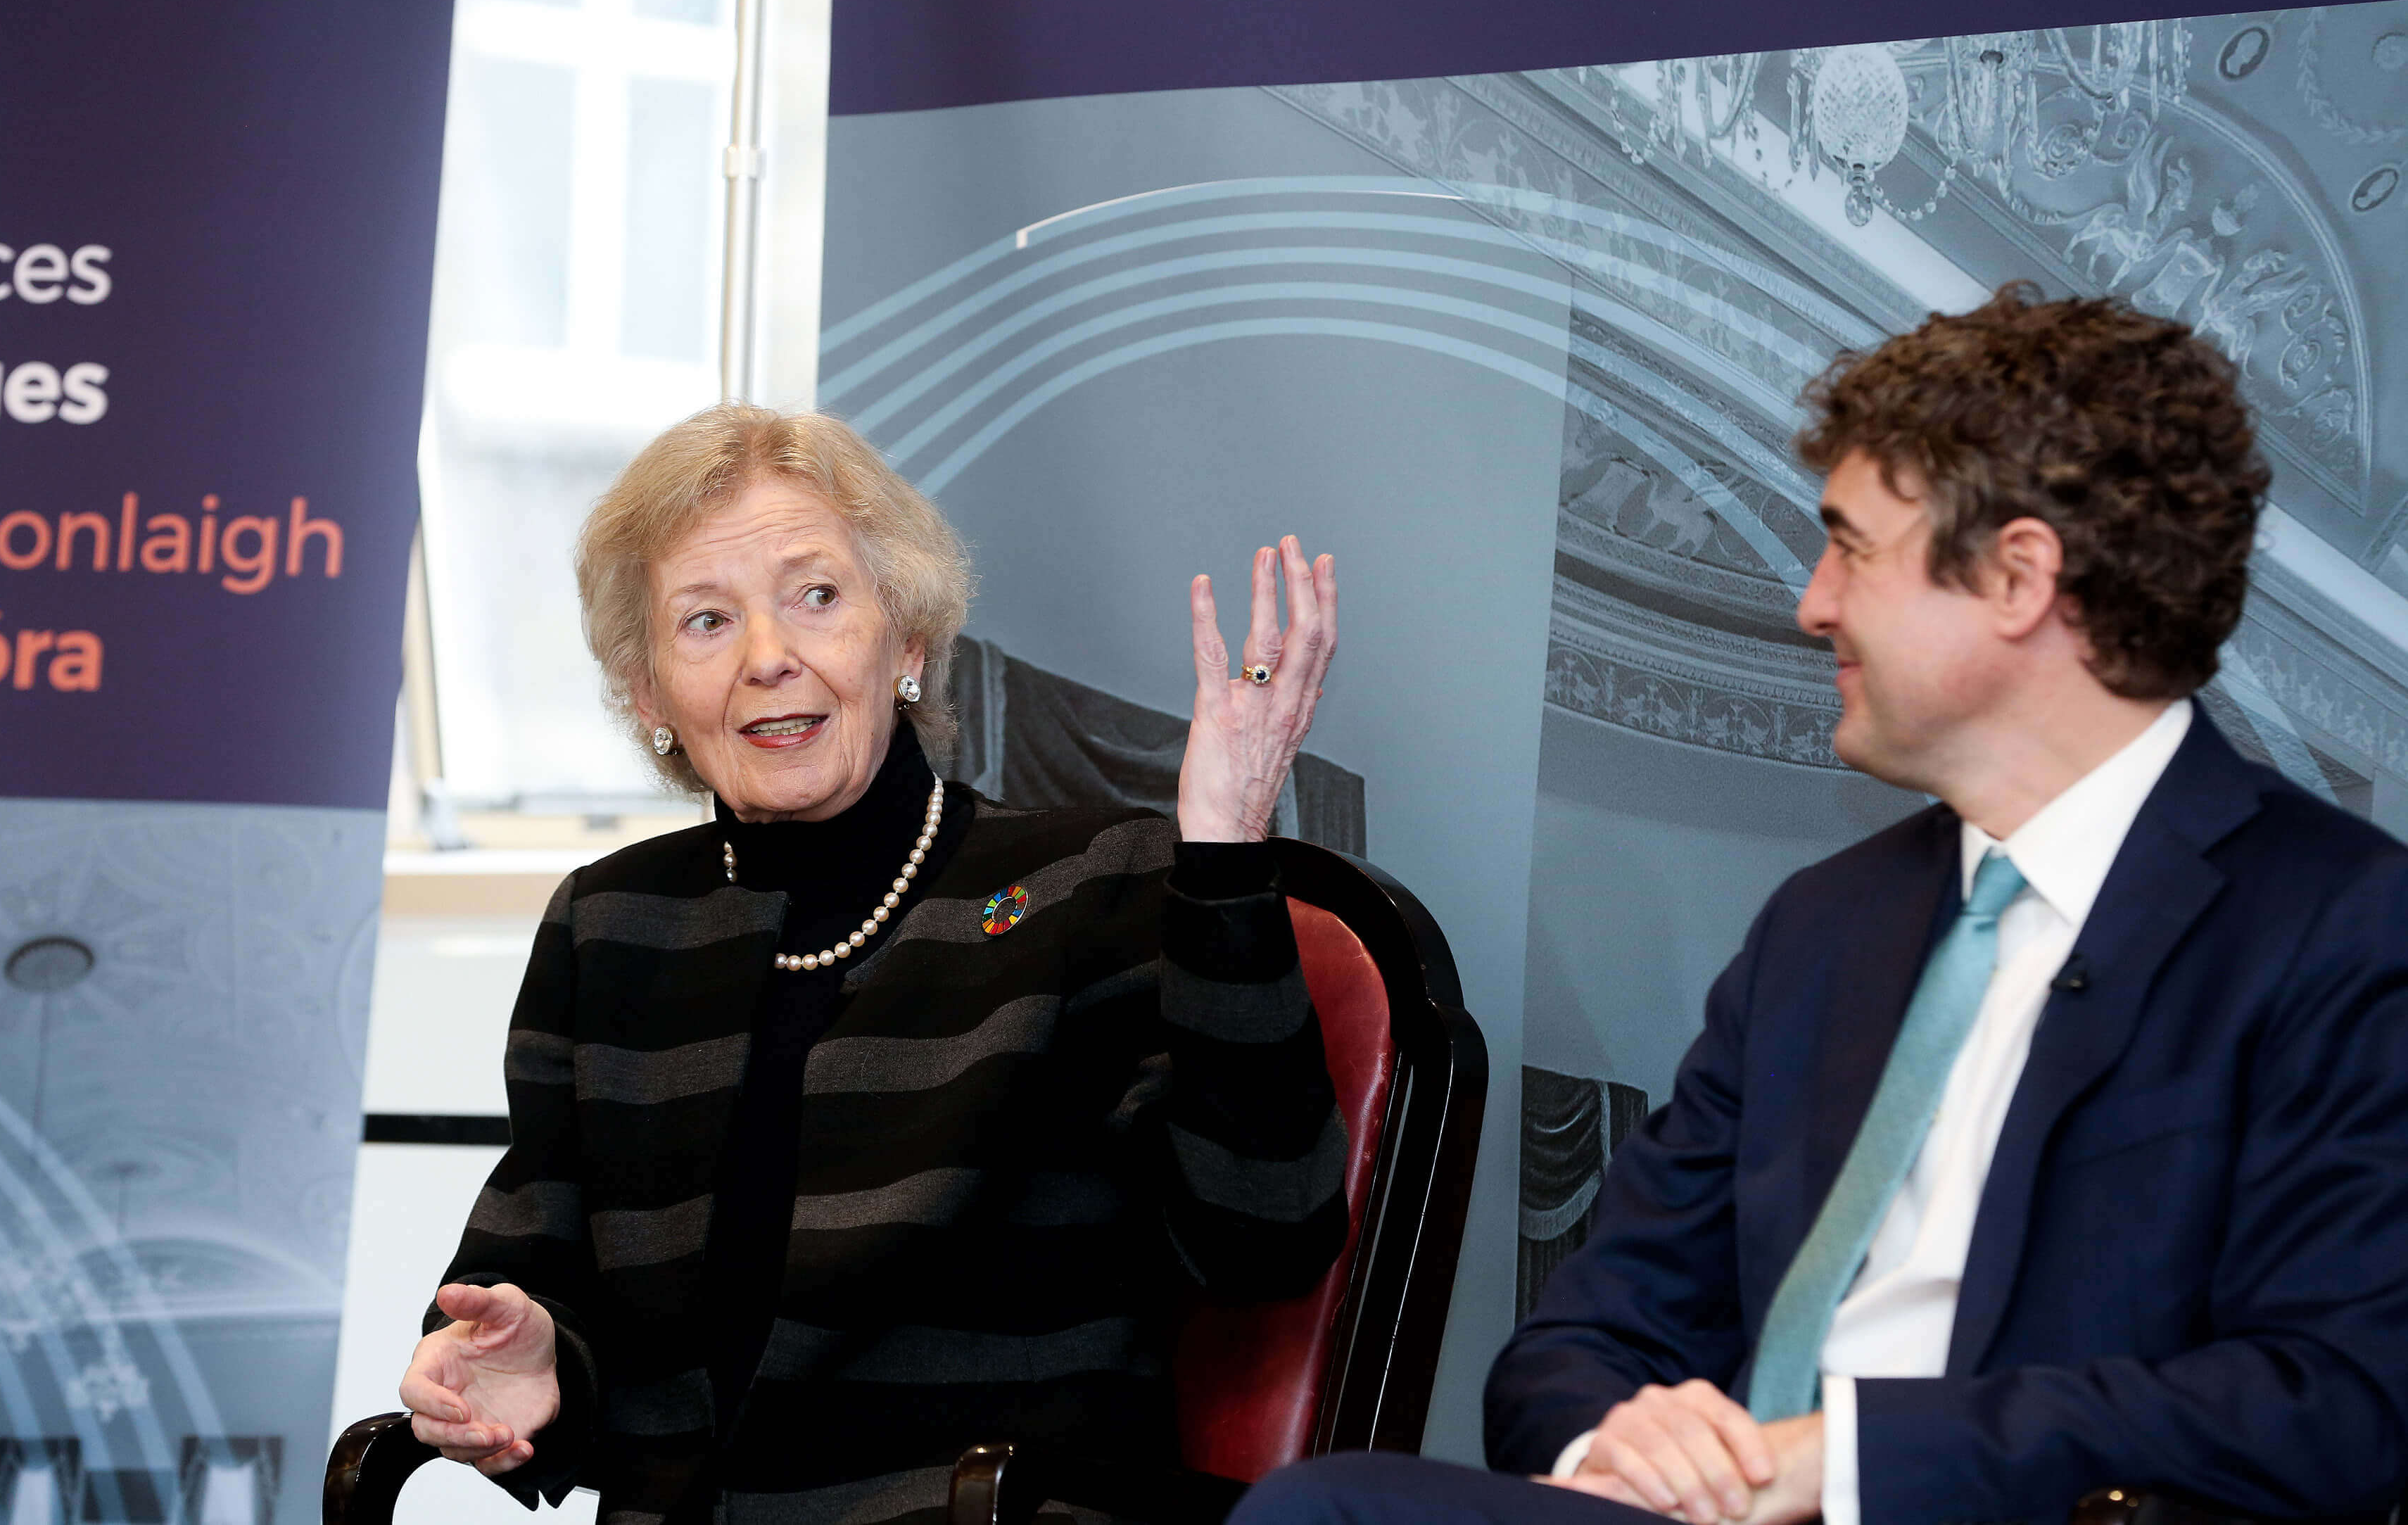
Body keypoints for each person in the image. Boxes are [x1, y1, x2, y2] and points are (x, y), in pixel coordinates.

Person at [1238, 286, 2408, 1525]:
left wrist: (1845, 1461)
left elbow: (2329, 1399)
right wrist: (1618, 1441)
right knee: (1332, 1509)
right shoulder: (1821, 925)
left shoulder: (2340, 926)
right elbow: (1579, 1336)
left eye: (1850, 545)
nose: (1811, 603)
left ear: (2019, 575)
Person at [396, 405, 1350, 1525]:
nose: (768, 658)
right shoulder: (611, 927)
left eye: (817, 596)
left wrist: (1226, 863)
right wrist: (533, 1363)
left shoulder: (1088, 887)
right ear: (650, 695)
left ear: (905, 640)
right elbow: (532, 1279)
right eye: (706, 620)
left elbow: (1265, 1232)